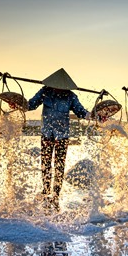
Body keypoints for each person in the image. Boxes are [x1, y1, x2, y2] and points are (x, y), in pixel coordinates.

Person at [26, 68, 90, 210]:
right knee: (46, 164)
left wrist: (90, 115)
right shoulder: (45, 91)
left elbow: (80, 111)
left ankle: (56, 194)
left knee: (59, 165)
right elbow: (31, 104)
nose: (59, 90)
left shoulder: (70, 96)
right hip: (47, 135)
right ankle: (46, 190)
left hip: (62, 136)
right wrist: (19, 104)